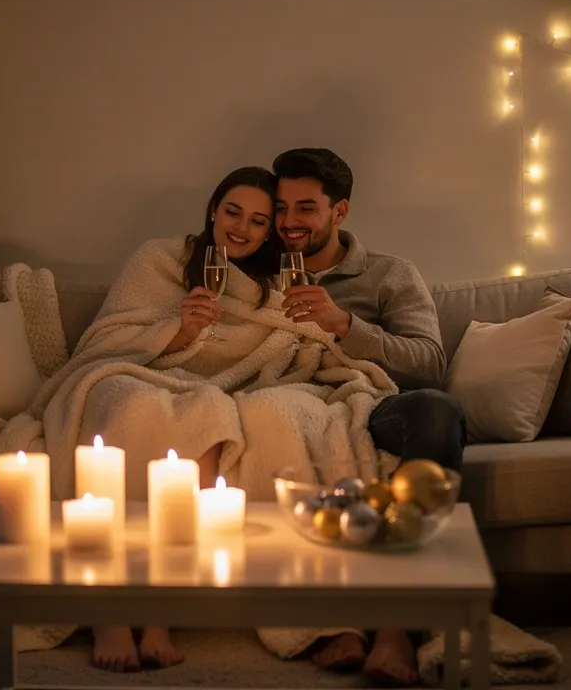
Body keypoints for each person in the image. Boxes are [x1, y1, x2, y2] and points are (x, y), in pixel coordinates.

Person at [273, 147, 467, 686]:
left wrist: (344, 324)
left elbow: (429, 363)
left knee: (437, 410)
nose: (289, 222)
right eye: (282, 207)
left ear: (340, 212)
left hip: (368, 401)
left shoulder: (389, 274)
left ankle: (398, 625)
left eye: (305, 208)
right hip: (284, 406)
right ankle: (333, 622)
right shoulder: (255, 266)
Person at [92, 165, 283, 672]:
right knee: (130, 404)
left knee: (208, 411)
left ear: (269, 231)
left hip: (207, 388)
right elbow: (103, 341)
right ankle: (109, 612)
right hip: (131, 372)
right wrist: (175, 330)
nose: (241, 228)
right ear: (213, 212)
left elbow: (287, 340)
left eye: (258, 221)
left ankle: (158, 611)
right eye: (233, 212)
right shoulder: (159, 259)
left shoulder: (273, 283)